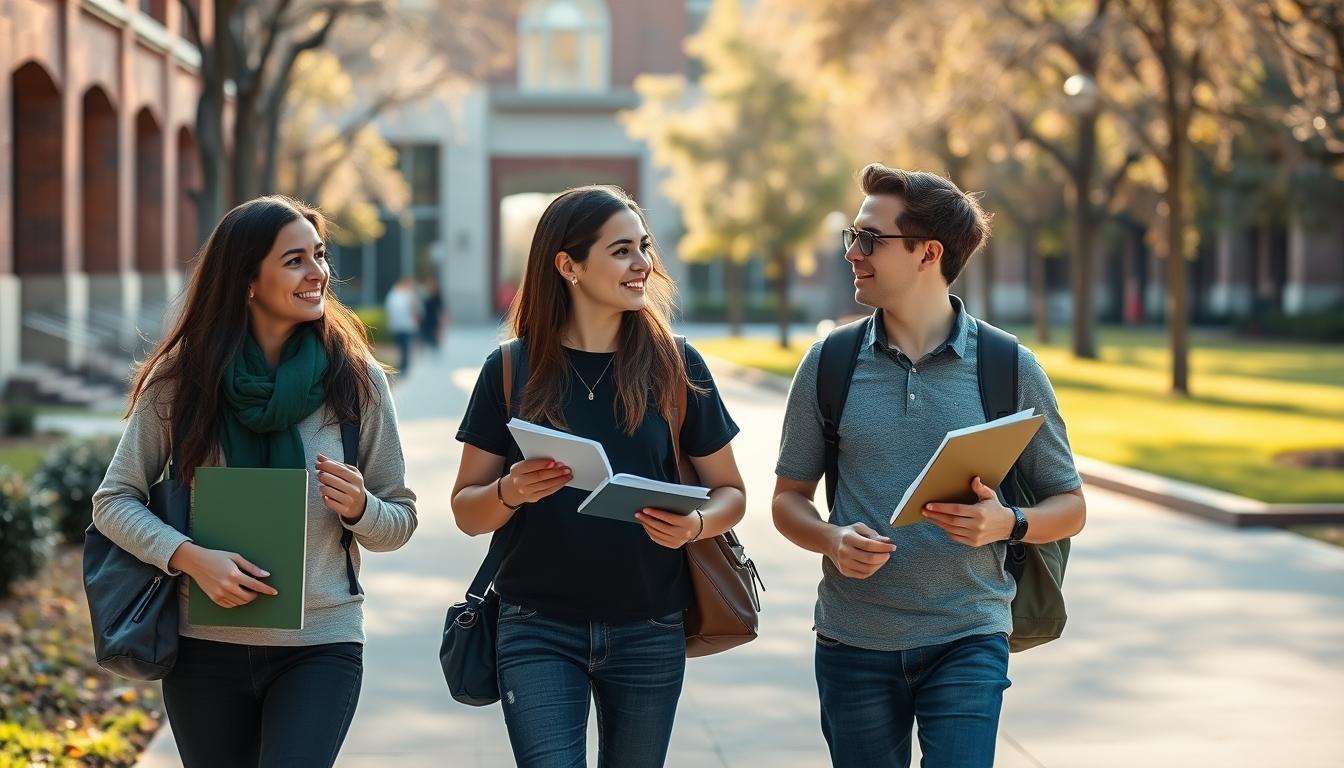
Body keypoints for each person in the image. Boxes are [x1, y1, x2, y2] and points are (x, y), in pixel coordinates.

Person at [771, 164, 1086, 768]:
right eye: (852, 237)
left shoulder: (1010, 367)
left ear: (928, 253)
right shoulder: (828, 363)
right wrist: (832, 539)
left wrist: (1006, 523)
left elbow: (1069, 506)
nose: (853, 253)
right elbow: (788, 499)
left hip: (968, 636)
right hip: (852, 637)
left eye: (870, 239)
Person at [92, 196, 418, 768]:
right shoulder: (182, 379)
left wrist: (362, 507)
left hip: (320, 645)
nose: (318, 273)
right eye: (295, 260)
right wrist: (189, 557)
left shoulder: (355, 380)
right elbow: (113, 501)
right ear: (247, 278)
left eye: (318, 256)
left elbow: (400, 520)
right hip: (203, 651)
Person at [450, 185, 746, 767]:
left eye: (643, 246)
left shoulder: (675, 364)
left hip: (649, 627)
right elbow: (466, 510)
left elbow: (731, 494)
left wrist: (695, 527)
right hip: (535, 625)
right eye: (621, 251)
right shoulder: (510, 368)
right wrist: (511, 490)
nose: (643, 265)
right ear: (569, 266)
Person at [384, 277, 420, 374]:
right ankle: (403, 365)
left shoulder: (407, 295)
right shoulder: (396, 295)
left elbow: (414, 310)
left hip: (406, 326)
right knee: (401, 346)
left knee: (404, 346)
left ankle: (404, 365)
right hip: (400, 326)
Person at [418, 275, 446, 354]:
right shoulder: (424, 295)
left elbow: (441, 308)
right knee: (424, 336)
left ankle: (434, 350)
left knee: (434, 336)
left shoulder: (437, 296)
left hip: (433, 319)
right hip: (424, 319)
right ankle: (424, 350)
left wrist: (442, 322)